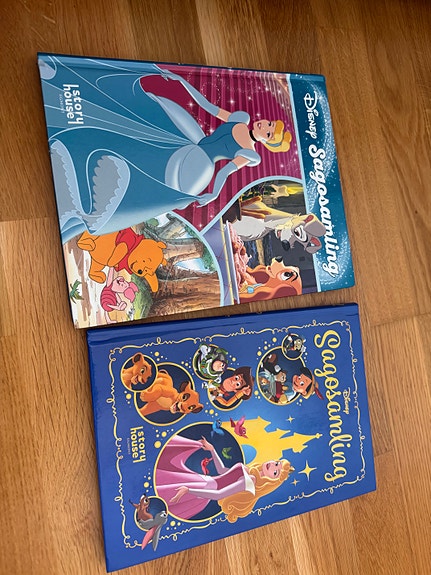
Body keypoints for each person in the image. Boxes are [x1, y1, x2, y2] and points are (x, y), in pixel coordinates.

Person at [41, 57, 292, 243]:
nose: (265, 126)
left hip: (198, 167)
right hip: (192, 137)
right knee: (147, 117)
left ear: (267, 141)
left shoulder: (250, 154)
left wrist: (212, 194)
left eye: (269, 133)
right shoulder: (241, 118)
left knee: (149, 173)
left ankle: (89, 194)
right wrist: (182, 82)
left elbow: (225, 171)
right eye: (269, 124)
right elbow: (207, 106)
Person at [155, 435, 293, 523]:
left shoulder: (250, 481)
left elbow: (219, 494)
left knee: (163, 492)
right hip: (203, 481)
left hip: (203, 488)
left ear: (272, 481)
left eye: (275, 472)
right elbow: (222, 471)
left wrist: (189, 490)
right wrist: (212, 450)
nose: (273, 466)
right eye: (277, 463)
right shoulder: (248, 470)